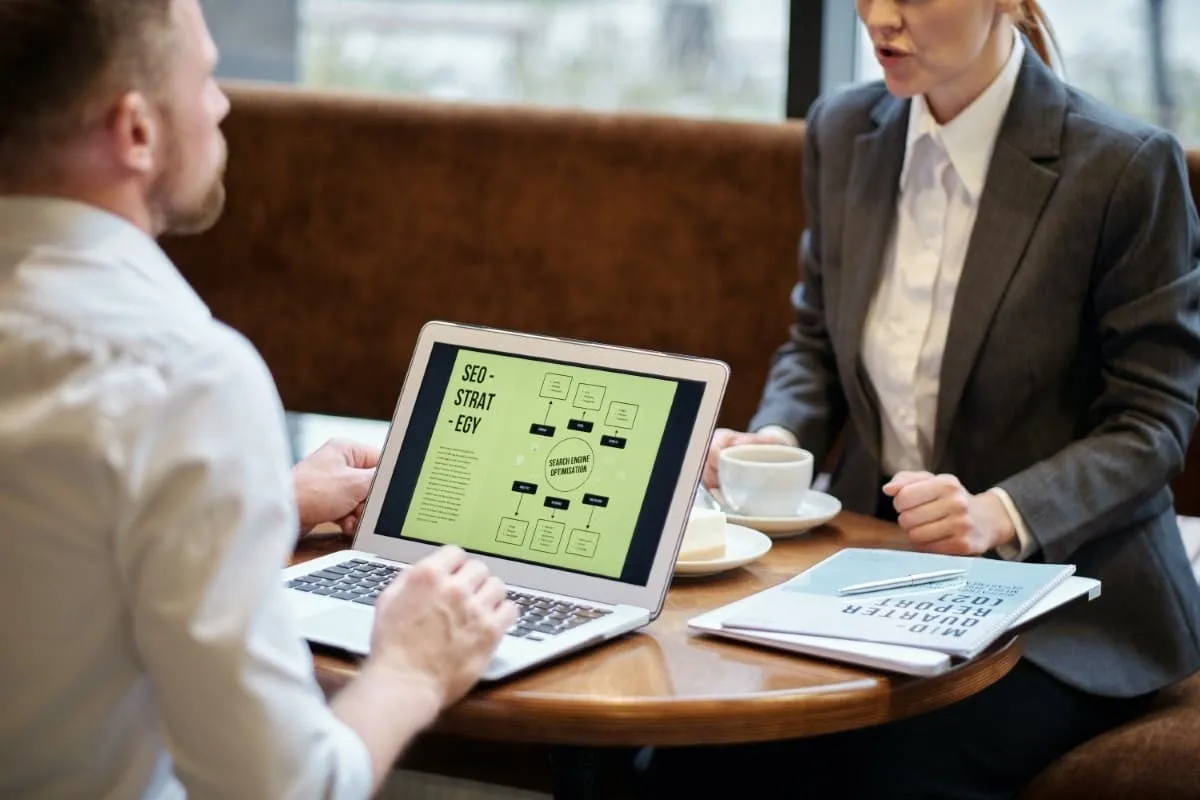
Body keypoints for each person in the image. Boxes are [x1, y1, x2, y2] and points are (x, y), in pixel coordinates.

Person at [651, 0, 1200, 797]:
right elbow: (816, 343)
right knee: (687, 754)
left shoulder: (1123, 165)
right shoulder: (844, 129)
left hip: (1072, 601)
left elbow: (1153, 421)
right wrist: (777, 440)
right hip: (875, 577)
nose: (880, 17)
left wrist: (998, 513)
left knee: (887, 770)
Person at [0, 1, 516, 798]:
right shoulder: (185, 378)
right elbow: (284, 788)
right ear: (136, 131)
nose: (222, 104)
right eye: (206, 78)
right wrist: (413, 668)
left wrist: (267, 502)